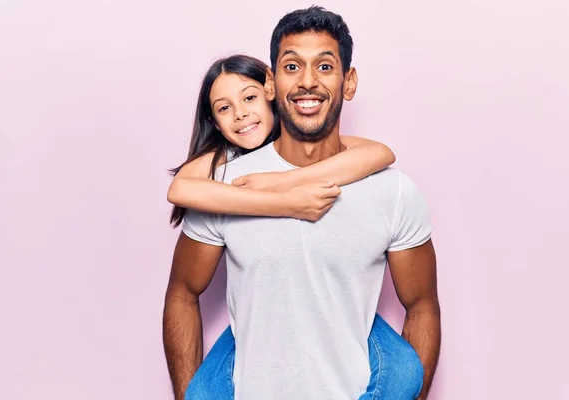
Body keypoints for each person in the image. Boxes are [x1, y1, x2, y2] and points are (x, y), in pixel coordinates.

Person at [163, 6, 441, 400]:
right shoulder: (226, 183)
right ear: (272, 84)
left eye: (325, 67)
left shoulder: (393, 191)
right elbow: (182, 292)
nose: (308, 81)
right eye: (292, 67)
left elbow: (422, 305)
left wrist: (285, 183)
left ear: (349, 82)